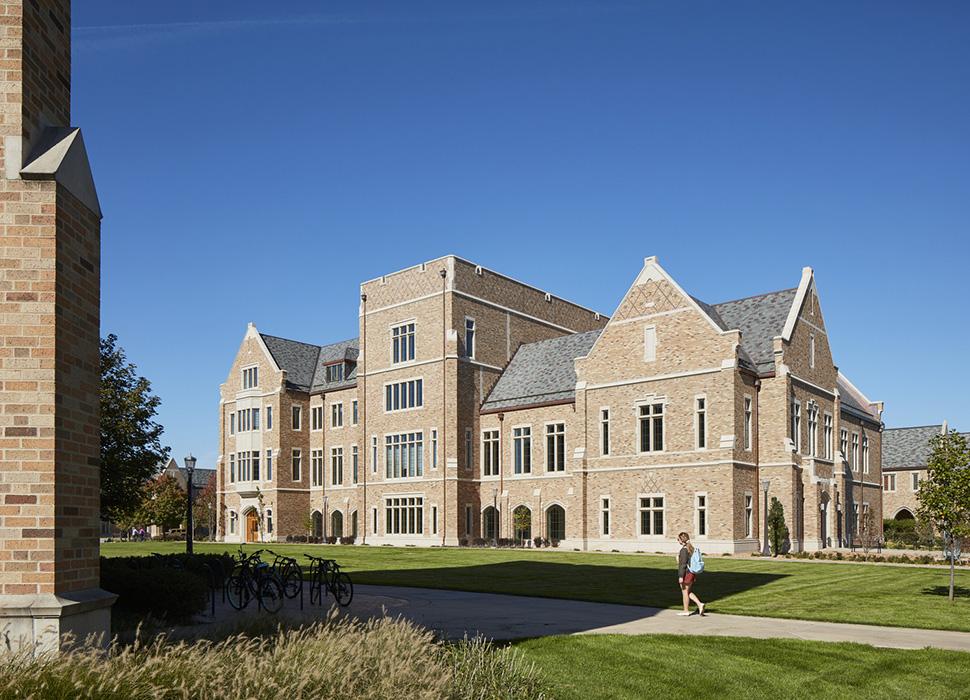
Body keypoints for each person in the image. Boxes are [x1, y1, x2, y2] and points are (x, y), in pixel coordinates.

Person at [676, 531, 705, 616]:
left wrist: (681, 576)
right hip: (691, 573)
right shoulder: (691, 548)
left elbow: (683, 565)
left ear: (682, 540)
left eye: (678, 539)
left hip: (686, 574)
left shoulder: (684, 550)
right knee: (688, 592)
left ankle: (686, 611)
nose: (678, 541)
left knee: (684, 592)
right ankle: (700, 604)